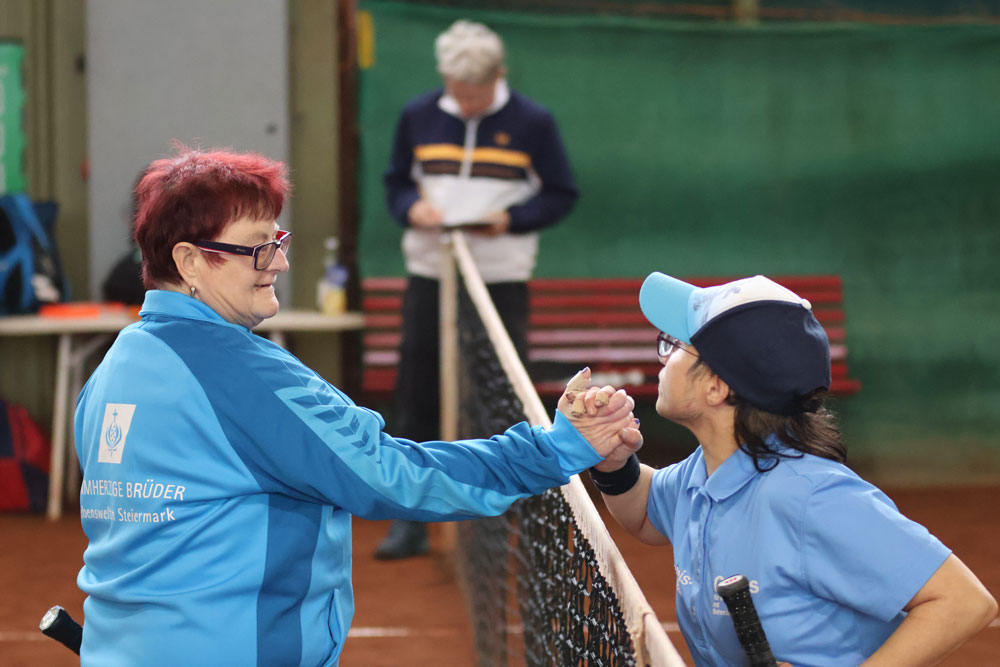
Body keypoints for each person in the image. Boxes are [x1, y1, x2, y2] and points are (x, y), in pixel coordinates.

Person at [73, 147, 640, 666]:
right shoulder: (247, 377)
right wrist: (556, 449)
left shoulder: (111, 371)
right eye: (257, 247)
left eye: (278, 240)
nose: (279, 263)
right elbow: (394, 476)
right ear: (191, 261)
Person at [590, 273, 997, 666]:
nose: (663, 356)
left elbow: (963, 601)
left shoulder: (811, 497)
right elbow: (645, 512)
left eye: (677, 346)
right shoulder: (705, 472)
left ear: (716, 386)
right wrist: (614, 464)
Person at [378, 18, 579, 559]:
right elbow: (396, 182)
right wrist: (411, 208)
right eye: (457, 91)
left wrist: (510, 220)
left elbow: (561, 193)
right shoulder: (417, 115)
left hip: (501, 280)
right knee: (417, 392)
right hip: (430, 275)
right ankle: (411, 518)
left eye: (476, 92)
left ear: (499, 75)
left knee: (502, 394)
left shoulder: (534, 122)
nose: (465, 103)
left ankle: (507, 519)